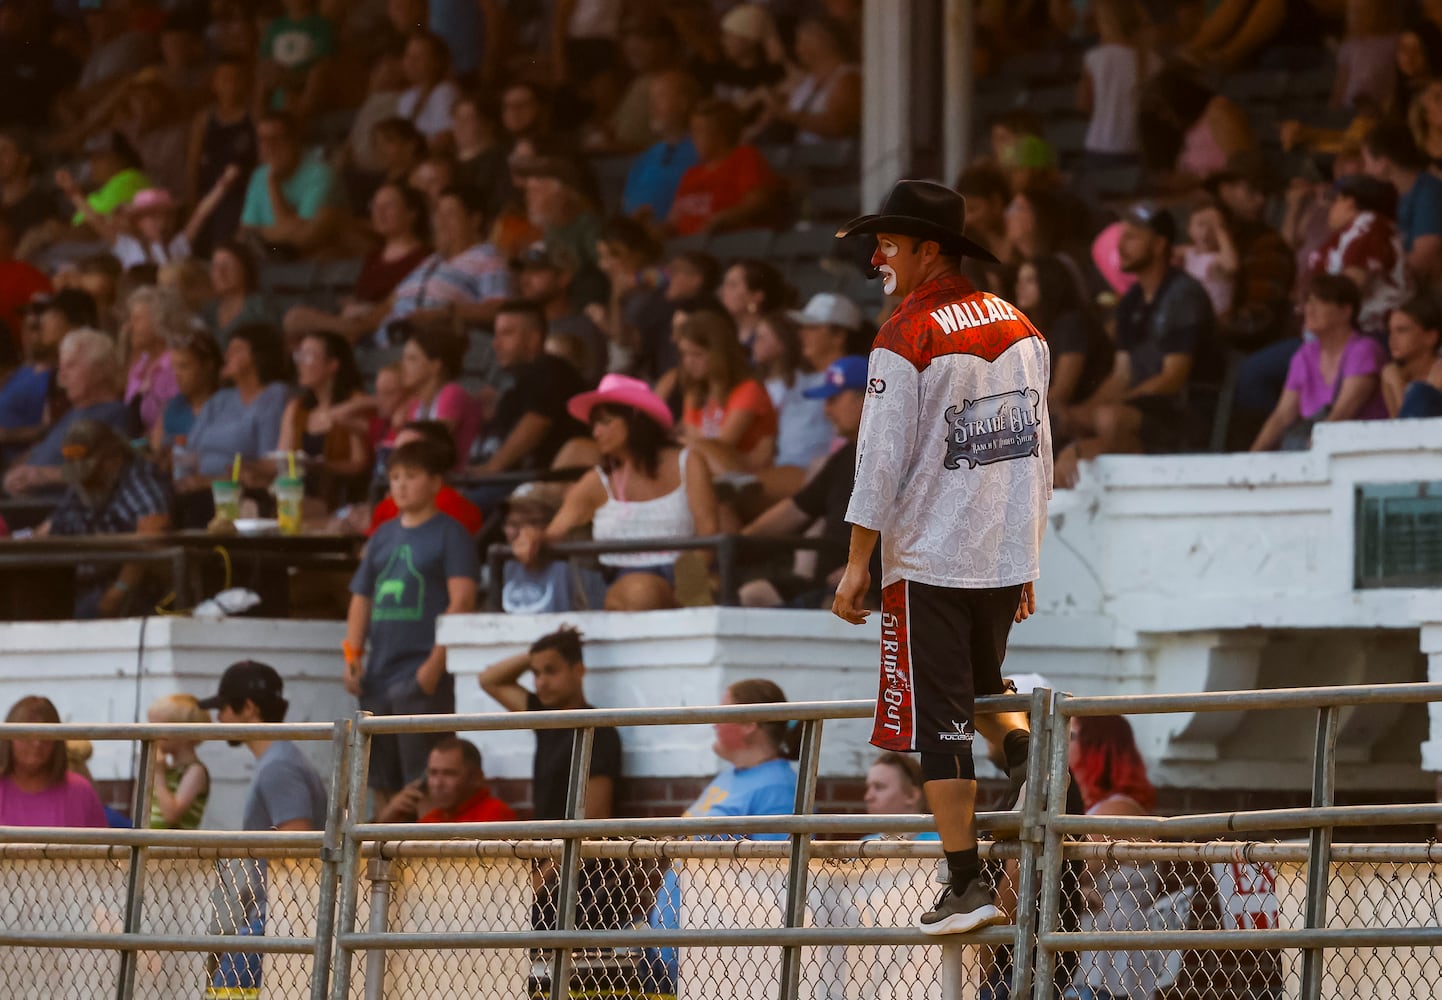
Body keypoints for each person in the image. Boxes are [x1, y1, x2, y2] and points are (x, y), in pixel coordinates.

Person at [831, 179, 1049, 935]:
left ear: (930, 249)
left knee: (940, 724)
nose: (875, 258)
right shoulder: (1023, 327)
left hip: (927, 558)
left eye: (887, 243)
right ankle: (1029, 756)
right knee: (980, 688)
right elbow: (1034, 452)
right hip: (998, 553)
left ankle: (966, 884)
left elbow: (878, 461)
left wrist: (859, 562)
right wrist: (1029, 557)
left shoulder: (904, 335)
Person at [512, 375, 719, 611]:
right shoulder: (595, 482)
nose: (596, 432)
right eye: (594, 425)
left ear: (635, 419)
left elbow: (709, 534)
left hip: (689, 573)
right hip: (626, 582)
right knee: (642, 591)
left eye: (605, 422)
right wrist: (531, 536)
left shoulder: (689, 463)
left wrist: (686, 590)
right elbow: (553, 534)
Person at [345, 438, 479, 799]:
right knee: (379, 780)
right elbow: (361, 599)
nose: (401, 485)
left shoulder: (451, 533)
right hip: (377, 674)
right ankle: (380, 855)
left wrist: (434, 666)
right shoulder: (382, 536)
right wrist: (352, 657)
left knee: (422, 783)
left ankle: (421, 855)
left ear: (436, 482)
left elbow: (462, 600)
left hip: (421, 675)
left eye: (412, 476)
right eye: (395, 477)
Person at [645, 678, 799, 992]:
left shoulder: (779, 787)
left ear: (749, 723)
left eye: (724, 711)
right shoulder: (730, 776)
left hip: (721, 960)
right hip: (676, 946)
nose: (714, 722)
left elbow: (775, 880)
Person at [1056, 204, 1217, 483]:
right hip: (1140, 413)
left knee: (1107, 419)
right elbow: (1122, 374)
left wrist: (1107, 408)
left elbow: (1172, 378)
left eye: (1132, 237)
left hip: (1185, 411)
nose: (1120, 245)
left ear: (1159, 244)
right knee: (1068, 426)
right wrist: (1080, 413)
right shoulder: (1130, 302)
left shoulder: (1183, 294)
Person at [197, 661, 328, 996]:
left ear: (249, 708)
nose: (219, 719)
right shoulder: (280, 759)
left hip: (280, 918)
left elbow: (297, 849)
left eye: (224, 708)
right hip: (277, 918)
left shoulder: (279, 766)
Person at [742, 355, 877, 610]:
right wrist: (734, 544)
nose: (826, 410)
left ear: (866, 399)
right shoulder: (844, 457)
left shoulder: (896, 457)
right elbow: (794, 511)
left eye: (833, 400)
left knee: (838, 605)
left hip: (871, 586)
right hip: (824, 584)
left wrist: (866, 571)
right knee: (752, 594)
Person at [478, 625, 624, 821]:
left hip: (574, 849)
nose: (541, 683)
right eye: (536, 673)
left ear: (579, 670)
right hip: (546, 848)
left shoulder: (597, 729)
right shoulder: (544, 718)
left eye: (550, 671)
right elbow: (489, 680)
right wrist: (534, 654)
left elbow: (595, 818)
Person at [40, 420, 171, 618]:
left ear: (113, 459)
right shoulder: (82, 486)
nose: (83, 480)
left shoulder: (139, 477)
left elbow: (154, 530)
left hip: (131, 590)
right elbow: (48, 529)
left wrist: (119, 589)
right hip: (78, 585)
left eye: (90, 472)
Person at [1068, 714, 1159, 1000]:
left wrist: (1080, 887)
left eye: (1071, 737)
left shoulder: (1117, 808)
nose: (1061, 745)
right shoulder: (1101, 805)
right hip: (1097, 948)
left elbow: (1074, 867)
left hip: (1107, 958)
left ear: (1098, 747)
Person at [1251, 274, 1388, 451]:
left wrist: (1312, 450)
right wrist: (1251, 457)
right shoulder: (1304, 355)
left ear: (1346, 311)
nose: (1309, 309)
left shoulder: (1364, 350)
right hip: (1317, 449)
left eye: (1320, 302)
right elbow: (1282, 416)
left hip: (1361, 452)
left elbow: (1342, 413)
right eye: (1308, 302)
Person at [284, 182, 431, 345]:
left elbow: (402, 300)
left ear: (411, 213)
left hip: (383, 324)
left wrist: (365, 313)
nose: (379, 212)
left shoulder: (424, 258)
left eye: (388, 206)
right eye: (374, 206)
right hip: (352, 319)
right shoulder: (374, 255)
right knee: (295, 320)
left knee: (303, 323)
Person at [3, 328, 133, 496]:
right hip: (23, 502)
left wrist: (45, 475)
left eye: (71, 366)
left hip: (60, 510)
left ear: (100, 369)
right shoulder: (70, 414)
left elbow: (110, 471)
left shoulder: (115, 413)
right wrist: (14, 474)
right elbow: (39, 454)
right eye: (61, 367)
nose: (62, 376)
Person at [469, 299, 588, 476]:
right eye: (496, 334)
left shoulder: (551, 369)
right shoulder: (516, 382)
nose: (496, 343)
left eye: (507, 334)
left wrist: (492, 467)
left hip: (534, 483)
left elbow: (537, 422)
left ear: (533, 339)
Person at [379, 184, 514, 339]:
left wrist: (446, 313)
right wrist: (359, 323)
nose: (440, 222)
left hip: (434, 342)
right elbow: (389, 304)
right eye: (438, 214)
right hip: (389, 341)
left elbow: (499, 309)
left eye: (450, 214)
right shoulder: (429, 261)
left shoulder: (487, 257)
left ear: (474, 220)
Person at [175, 323, 290, 495]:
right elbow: (190, 451)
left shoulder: (274, 396)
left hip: (239, 493)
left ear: (258, 355)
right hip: (196, 488)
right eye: (228, 349)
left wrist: (211, 482)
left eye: (237, 350)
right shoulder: (220, 400)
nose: (227, 355)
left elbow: (268, 466)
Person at [1012, 257, 1113, 439]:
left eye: (1030, 280)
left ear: (1049, 282)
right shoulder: (1031, 329)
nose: (1020, 287)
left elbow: (1061, 392)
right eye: (1019, 280)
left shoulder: (1071, 323)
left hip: (1082, 419)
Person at [1306, 173, 1411, 338]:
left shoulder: (1368, 225)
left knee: (1260, 364)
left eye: (1336, 201)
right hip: (1334, 333)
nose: (1331, 208)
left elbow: (1350, 288)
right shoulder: (1348, 231)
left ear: (1349, 202)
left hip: (1367, 334)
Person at [676, 311, 778, 473]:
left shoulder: (748, 389)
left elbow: (721, 448)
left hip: (752, 480)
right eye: (684, 354)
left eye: (697, 354)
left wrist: (681, 441)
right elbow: (697, 448)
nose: (688, 362)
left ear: (719, 353)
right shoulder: (695, 392)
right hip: (715, 472)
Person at [278, 331, 371, 507]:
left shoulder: (355, 403)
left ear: (332, 365)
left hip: (341, 497)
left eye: (309, 356)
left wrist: (323, 467)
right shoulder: (296, 408)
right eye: (300, 356)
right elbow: (282, 458)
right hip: (298, 494)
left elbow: (359, 463)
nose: (300, 364)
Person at [667, 99, 780, 237]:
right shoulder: (691, 173)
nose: (693, 138)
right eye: (693, 131)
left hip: (729, 243)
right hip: (687, 247)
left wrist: (722, 218)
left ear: (721, 135)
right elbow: (673, 221)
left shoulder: (745, 156)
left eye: (700, 131)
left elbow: (757, 202)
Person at [239, 112, 344, 259]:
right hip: (271, 252)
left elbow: (298, 239)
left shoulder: (321, 174)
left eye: (274, 139)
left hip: (308, 257)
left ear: (293, 141)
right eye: (262, 140)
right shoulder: (259, 175)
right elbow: (246, 231)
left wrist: (272, 182)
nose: (267, 146)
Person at [497, 480, 606, 614]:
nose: (522, 533)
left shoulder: (577, 567)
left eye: (533, 522)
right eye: (513, 524)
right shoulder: (504, 565)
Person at [185, 58, 257, 257]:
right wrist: (192, 200)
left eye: (236, 78)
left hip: (240, 194)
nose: (230, 84)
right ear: (214, 84)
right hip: (207, 190)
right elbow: (192, 163)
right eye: (224, 78)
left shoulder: (252, 115)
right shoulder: (204, 118)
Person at [0, 695, 108, 827]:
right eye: (26, 734)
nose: (37, 743)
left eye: (45, 735)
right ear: (8, 738)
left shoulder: (80, 792)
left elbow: (102, 846)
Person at [364, 419, 483, 538]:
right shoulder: (386, 507)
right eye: (396, 451)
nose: (399, 457)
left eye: (409, 451)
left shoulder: (456, 507)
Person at [1361, 119, 1442, 283]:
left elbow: (1425, 255)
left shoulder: (1428, 193)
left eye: (1366, 161)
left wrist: (1384, 283)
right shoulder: (1402, 191)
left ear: (1383, 164)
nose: (1365, 168)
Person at [1078, 0, 1159, 164]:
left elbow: (1083, 103)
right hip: (1139, 147)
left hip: (1100, 146)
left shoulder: (1095, 58)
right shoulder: (1155, 60)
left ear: (1105, 22)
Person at [761, 16, 861, 145]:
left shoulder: (849, 77)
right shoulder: (807, 82)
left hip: (832, 160)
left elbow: (838, 127)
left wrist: (787, 115)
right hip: (800, 156)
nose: (797, 49)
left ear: (821, 41)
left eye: (801, 41)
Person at [515, 243, 607, 382]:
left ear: (564, 278)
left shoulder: (582, 330)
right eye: (524, 271)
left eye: (536, 272)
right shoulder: (519, 325)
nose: (525, 279)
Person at [375, 737, 517, 824]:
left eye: (449, 774)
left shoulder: (495, 815)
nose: (438, 784)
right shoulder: (432, 819)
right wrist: (388, 818)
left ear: (476, 777)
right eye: (433, 773)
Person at [396, 326, 480, 471]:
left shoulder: (452, 392)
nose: (402, 365)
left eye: (412, 359)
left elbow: (431, 443)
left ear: (435, 366)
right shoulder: (416, 403)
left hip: (463, 481)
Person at [622, 70, 701, 224]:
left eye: (661, 97)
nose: (652, 107)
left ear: (683, 103)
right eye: (651, 99)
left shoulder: (703, 152)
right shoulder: (644, 158)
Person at [123, 285, 190, 436]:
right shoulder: (139, 367)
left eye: (137, 319)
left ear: (161, 323)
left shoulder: (176, 365)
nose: (128, 327)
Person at [258, 0, 336, 117]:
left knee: (314, 77)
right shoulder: (275, 26)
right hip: (277, 80)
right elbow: (265, 58)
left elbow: (323, 62)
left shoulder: (321, 25)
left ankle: (298, 121)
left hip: (304, 82)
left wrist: (292, 79)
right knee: (261, 81)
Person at [152, 330, 222, 460]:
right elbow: (163, 453)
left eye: (184, 366)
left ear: (208, 366)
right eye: (174, 367)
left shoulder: (229, 405)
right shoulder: (173, 408)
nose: (176, 374)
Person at [146, 693, 210, 830]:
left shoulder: (195, 771)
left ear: (182, 733)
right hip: (153, 848)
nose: (151, 734)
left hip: (174, 850)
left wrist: (158, 775)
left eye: (157, 728)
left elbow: (171, 815)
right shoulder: (167, 769)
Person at [1383, 292, 1442, 418]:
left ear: (1430, 337)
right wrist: (1396, 383)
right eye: (1390, 331)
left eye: (1402, 330)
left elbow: (1415, 427)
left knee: (1419, 391)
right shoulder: (1391, 373)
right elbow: (1398, 429)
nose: (1392, 338)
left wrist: (1399, 387)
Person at [396, 32, 459, 145]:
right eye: (408, 55)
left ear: (437, 62)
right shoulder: (407, 97)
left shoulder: (445, 92)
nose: (410, 62)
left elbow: (445, 138)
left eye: (419, 57)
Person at [719, 259, 791, 354]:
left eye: (733, 285)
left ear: (757, 296)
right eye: (724, 284)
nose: (722, 291)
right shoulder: (723, 333)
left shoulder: (770, 337)